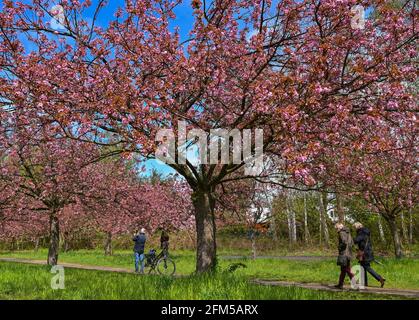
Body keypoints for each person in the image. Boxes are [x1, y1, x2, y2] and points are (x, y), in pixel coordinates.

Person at [354, 222, 386, 288]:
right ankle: (364, 283)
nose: (354, 229)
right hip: (368, 251)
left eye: (355, 227)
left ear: (358, 227)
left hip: (365, 253)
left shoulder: (361, 232)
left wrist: (351, 239)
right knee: (363, 267)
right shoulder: (366, 232)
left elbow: (356, 240)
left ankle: (380, 278)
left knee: (366, 267)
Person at [334, 222, 355, 289]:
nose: (336, 229)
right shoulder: (348, 232)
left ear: (340, 227)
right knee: (343, 270)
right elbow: (352, 243)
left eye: (337, 228)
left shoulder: (341, 233)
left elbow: (344, 242)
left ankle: (355, 285)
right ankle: (340, 284)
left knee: (347, 270)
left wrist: (339, 247)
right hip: (349, 252)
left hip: (344, 254)